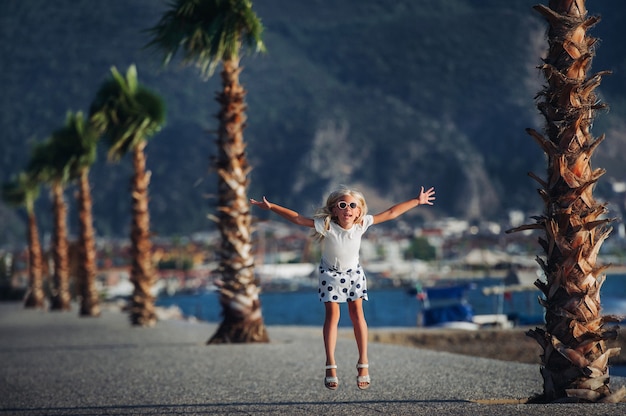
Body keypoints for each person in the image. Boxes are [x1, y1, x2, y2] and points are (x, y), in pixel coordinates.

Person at [250, 185, 436, 390]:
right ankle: (330, 364)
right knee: (332, 315)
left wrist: (417, 201)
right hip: (329, 274)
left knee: (357, 314)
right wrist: (272, 207)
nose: (348, 209)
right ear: (334, 209)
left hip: (354, 273)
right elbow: (297, 218)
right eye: (342, 205)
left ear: (359, 211)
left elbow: (392, 212)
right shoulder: (327, 225)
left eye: (352, 205)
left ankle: (363, 363)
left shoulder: (362, 224)